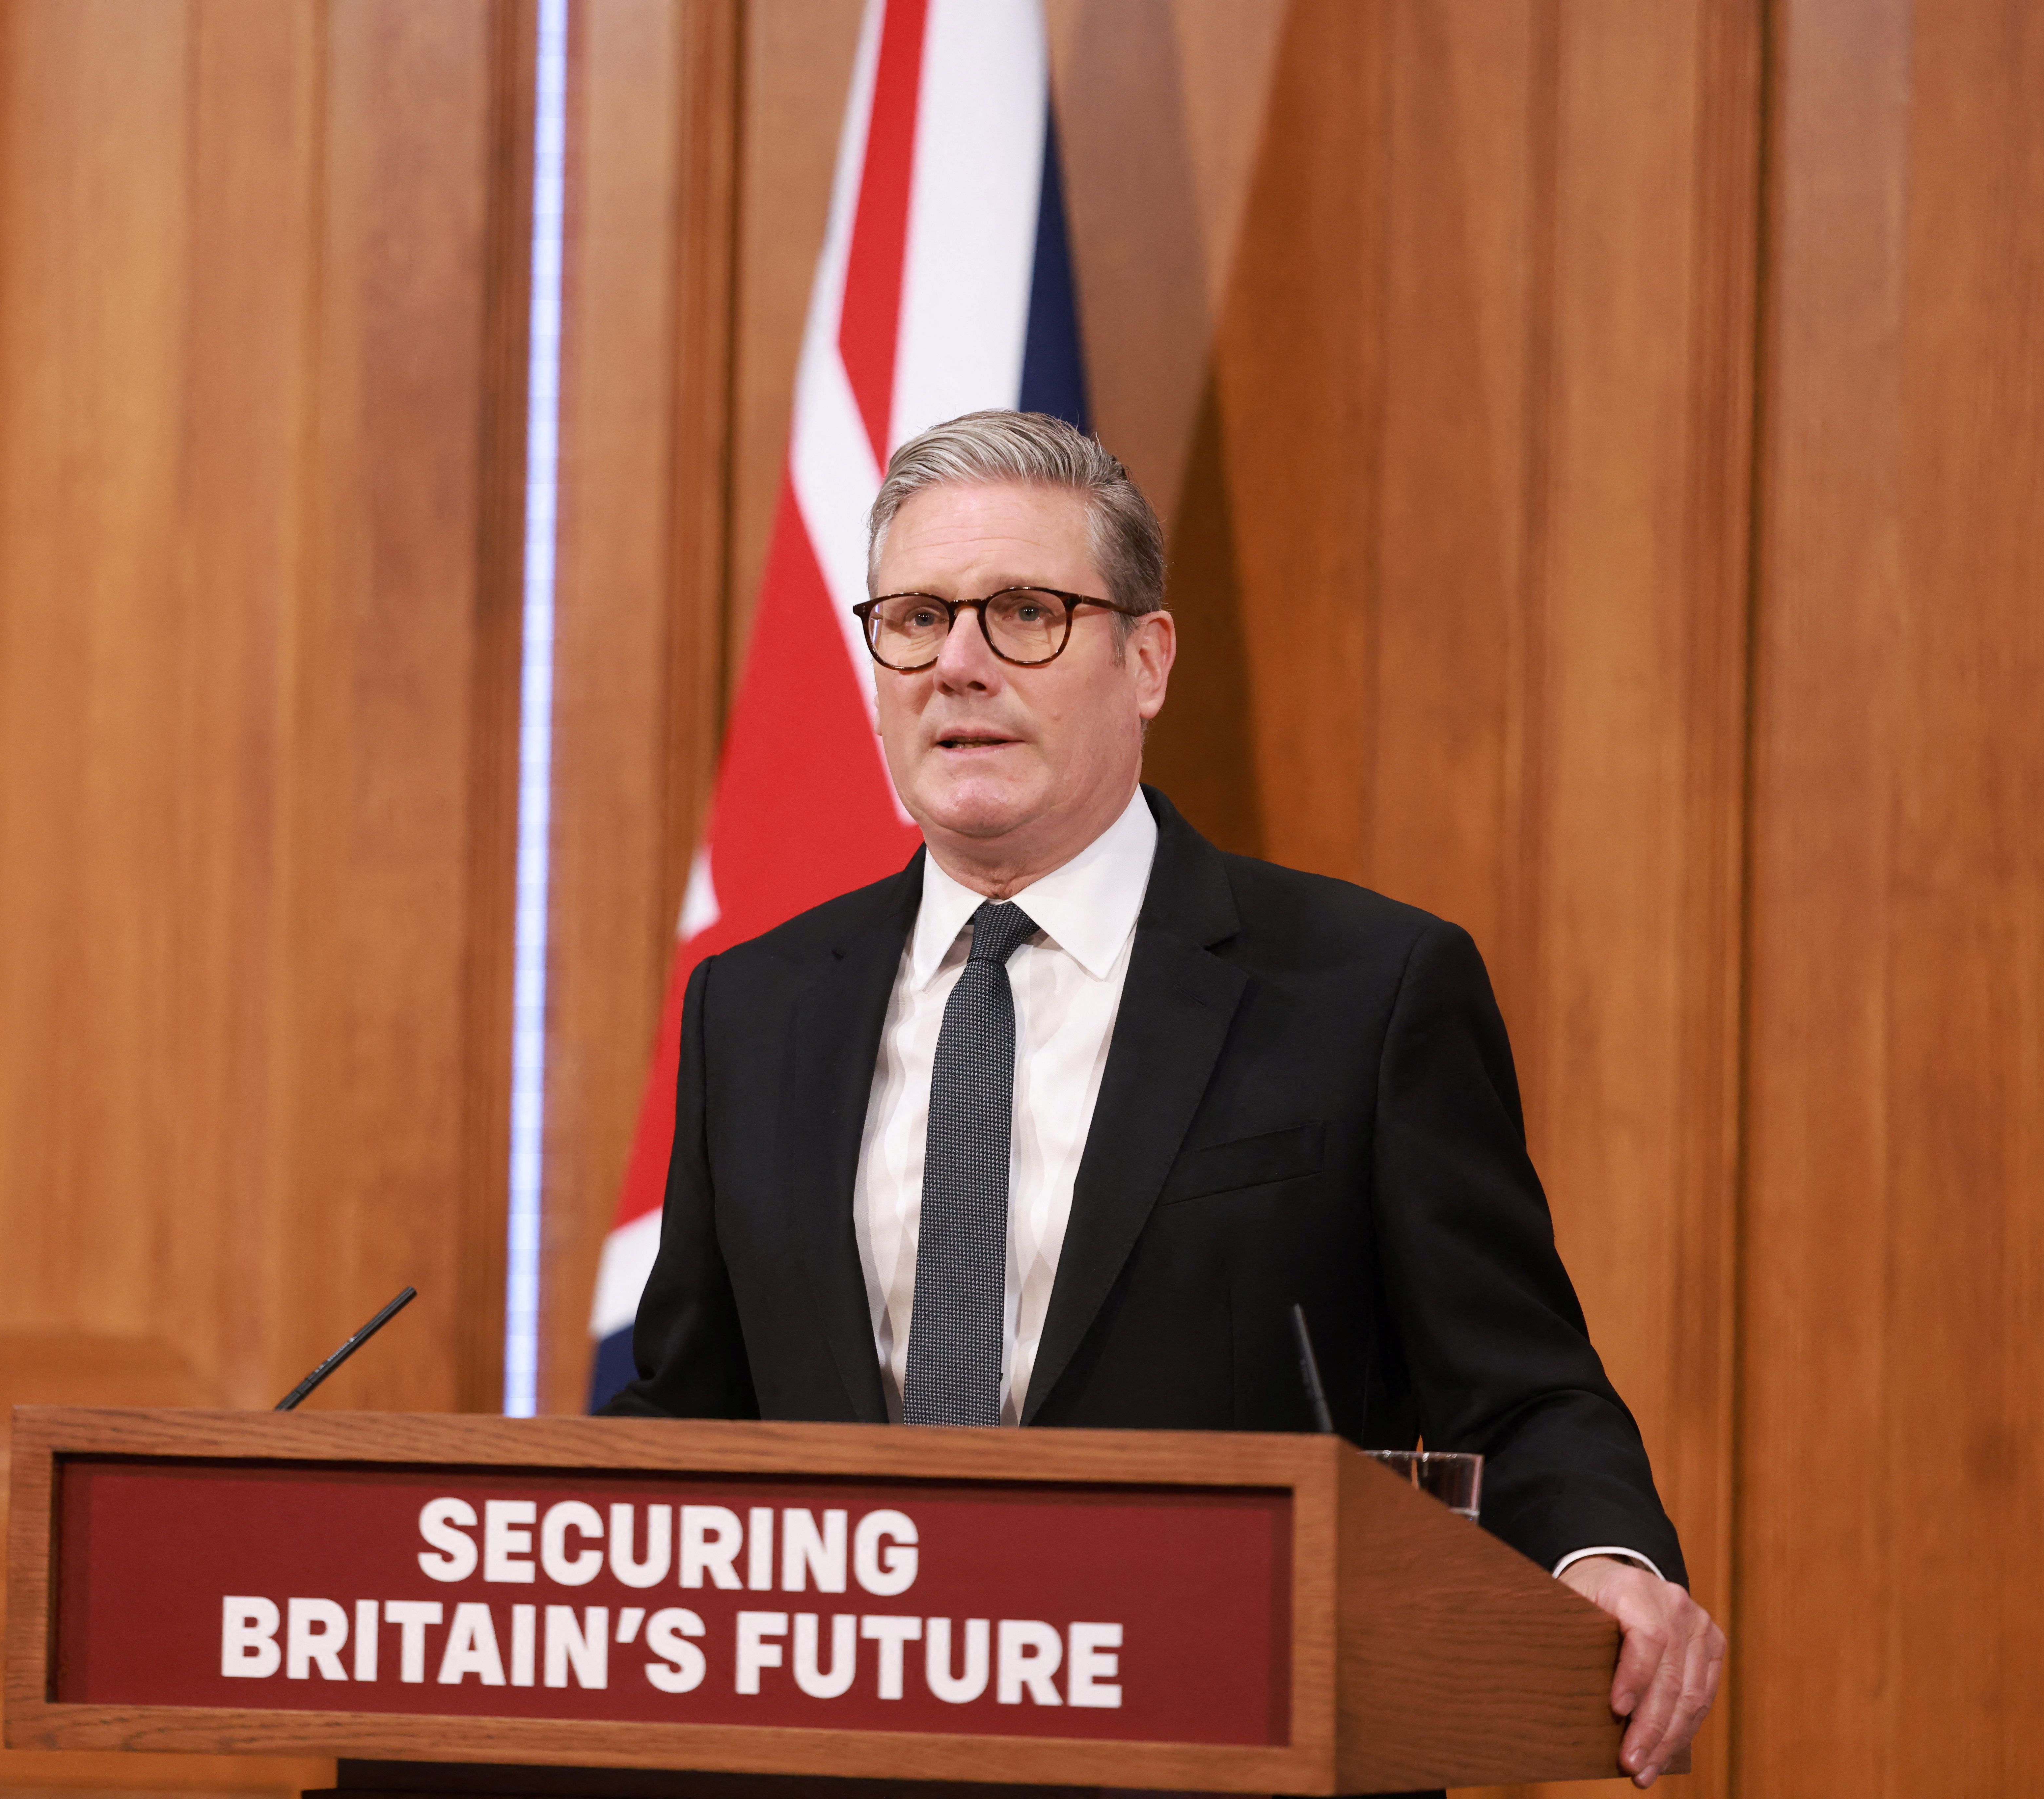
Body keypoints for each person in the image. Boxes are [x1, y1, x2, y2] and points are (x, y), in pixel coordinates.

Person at [602, 410, 1723, 1787]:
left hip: (1230, 1753)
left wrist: (1603, 1558)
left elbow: (1522, 1388)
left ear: (1146, 659)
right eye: (913, 616)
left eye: (1023, 611)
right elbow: (691, 1417)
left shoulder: (1363, 992)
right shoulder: (756, 1008)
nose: (957, 663)